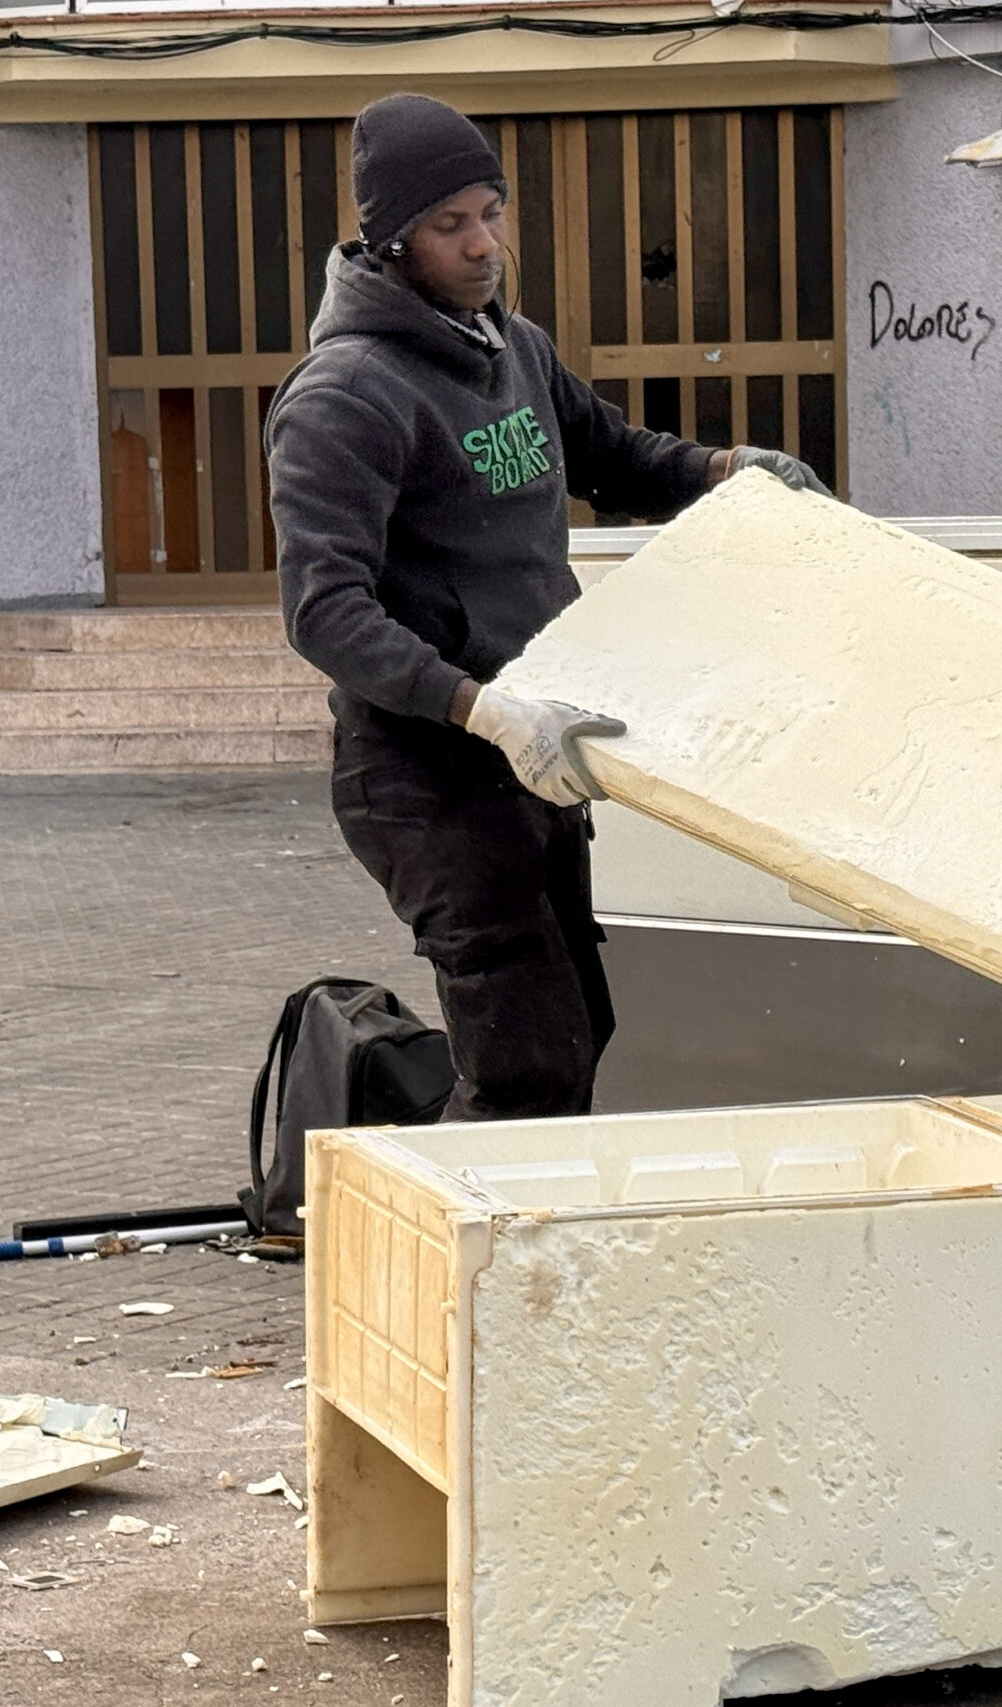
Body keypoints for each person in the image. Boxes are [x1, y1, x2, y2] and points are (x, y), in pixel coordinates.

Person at [265, 92, 826, 1124]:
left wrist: (727, 468)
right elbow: (323, 609)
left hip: (533, 753)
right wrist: (481, 708)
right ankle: (436, 1225)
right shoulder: (345, 396)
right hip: (427, 773)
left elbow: (613, 457)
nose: (484, 243)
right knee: (528, 1064)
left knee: (574, 1031)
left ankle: (431, 1192)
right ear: (393, 241)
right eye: (450, 224)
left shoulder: (510, 346)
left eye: (492, 212)